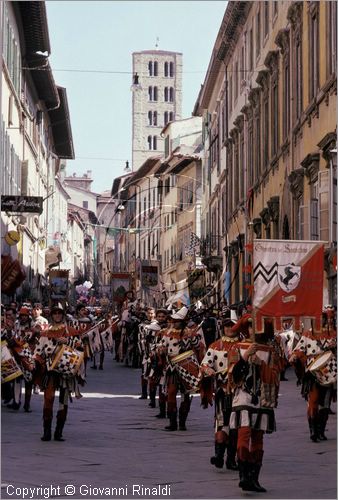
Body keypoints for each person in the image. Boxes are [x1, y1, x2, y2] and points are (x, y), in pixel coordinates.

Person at [228, 316, 283, 492]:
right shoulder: (237, 347)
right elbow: (232, 375)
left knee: (258, 437)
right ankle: (243, 475)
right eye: (251, 326)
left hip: (263, 399)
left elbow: (274, 378)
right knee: (243, 434)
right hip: (243, 396)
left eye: (257, 327)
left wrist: (261, 364)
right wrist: (245, 357)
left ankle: (254, 478)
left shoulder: (271, 351)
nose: (254, 330)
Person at [34, 303, 84, 441]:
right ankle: (46, 432)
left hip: (66, 372)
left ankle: (59, 432)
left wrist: (68, 342)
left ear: (63, 315)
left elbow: (81, 349)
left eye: (59, 313)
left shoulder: (72, 331)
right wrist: (37, 362)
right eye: (55, 313)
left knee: (64, 401)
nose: (57, 315)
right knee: (48, 399)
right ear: (52, 315)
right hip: (50, 371)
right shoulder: (46, 332)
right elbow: (38, 352)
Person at [289, 307, 337, 442]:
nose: (320, 321)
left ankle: (321, 430)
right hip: (312, 372)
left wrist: (334, 346)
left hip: (328, 372)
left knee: (325, 404)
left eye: (322, 318)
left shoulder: (333, 333)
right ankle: (313, 431)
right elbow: (299, 349)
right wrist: (294, 356)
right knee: (313, 401)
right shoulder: (307, 334)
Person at [200, 316, 240, 471]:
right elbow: (204, 363)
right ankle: (219, 456)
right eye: (226, 326)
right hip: (222, 392)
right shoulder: (215, 346)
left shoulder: (243, 345)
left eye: (232, 326)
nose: (229, 329)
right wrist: (207, 369)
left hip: (239, 392)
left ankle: (231, 459)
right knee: (222, 424)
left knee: (236, 426)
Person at [158, 306, 206, 431]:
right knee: (171, 393)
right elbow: (161, 347)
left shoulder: (190, 332)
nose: (175, 323)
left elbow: (197, 346)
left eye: (177, 321)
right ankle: (172, 421)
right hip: (172, 367)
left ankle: (183, 421)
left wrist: (192, 336)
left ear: (183, 321)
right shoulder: (167, 333)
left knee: (186, 395)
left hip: (187, 367)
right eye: (174, 320)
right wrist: (161, 350)